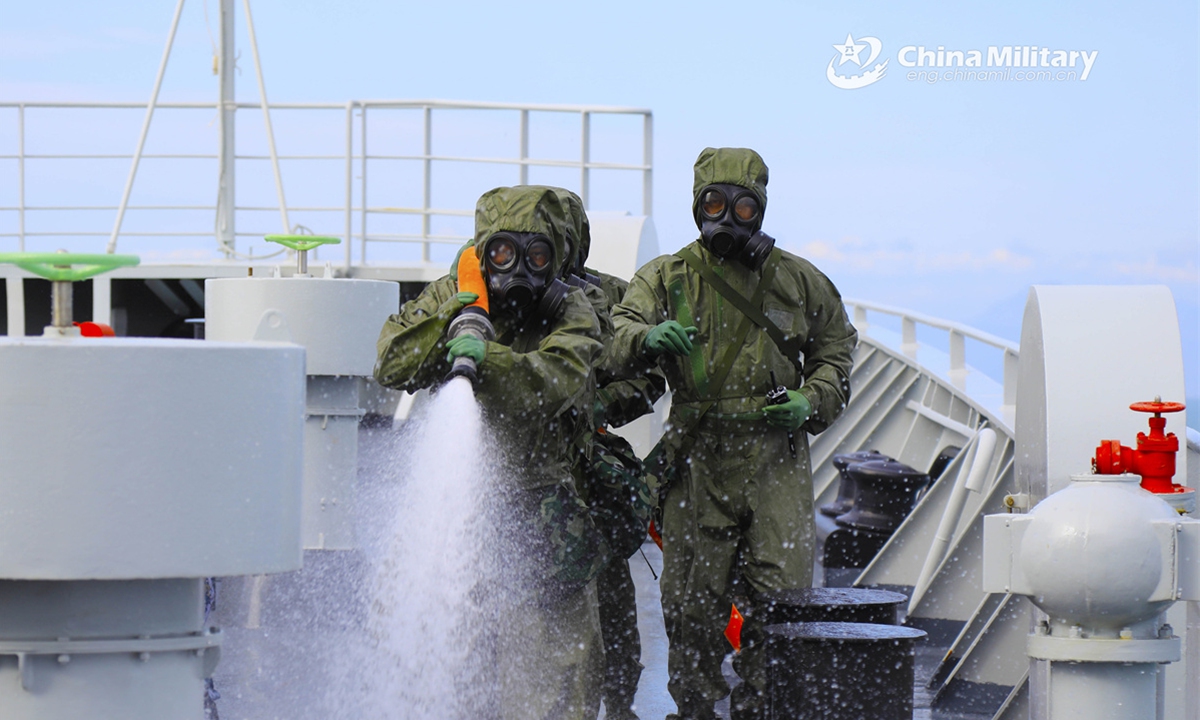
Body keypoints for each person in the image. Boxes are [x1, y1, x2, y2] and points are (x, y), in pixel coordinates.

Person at [609, 148, 857, 720]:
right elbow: (620, 329)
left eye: (742, 205)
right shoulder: (666, 277)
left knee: (778, 601)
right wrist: (646, 340)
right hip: (698, 456)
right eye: (713, 203)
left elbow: (835, 349)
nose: (727, 217)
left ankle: (759, 710)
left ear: (760, 210)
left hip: (776, 460)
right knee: (690, 605)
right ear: (697, 207)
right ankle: (695, 710)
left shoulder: (797, 279)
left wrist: (809, 400)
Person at [374, 184, 608, 720]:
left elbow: (557, 381)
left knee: (555, 679)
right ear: (483, 249)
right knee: (455, 664)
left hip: (544, 509)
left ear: (558, 256)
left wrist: (489, 356)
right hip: (460, 507)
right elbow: (390, 363)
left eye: (538, 255)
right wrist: (446, 327)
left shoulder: (575, 311)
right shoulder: (453, 295)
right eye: (502, 253)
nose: (517, 269)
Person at [556, 189, 667, 720]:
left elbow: (651, 373)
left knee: (612, 596)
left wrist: (595, 404)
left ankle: (619, 702)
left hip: (590, 470)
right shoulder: (498, 296)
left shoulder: (612, 298)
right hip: (522, 466)